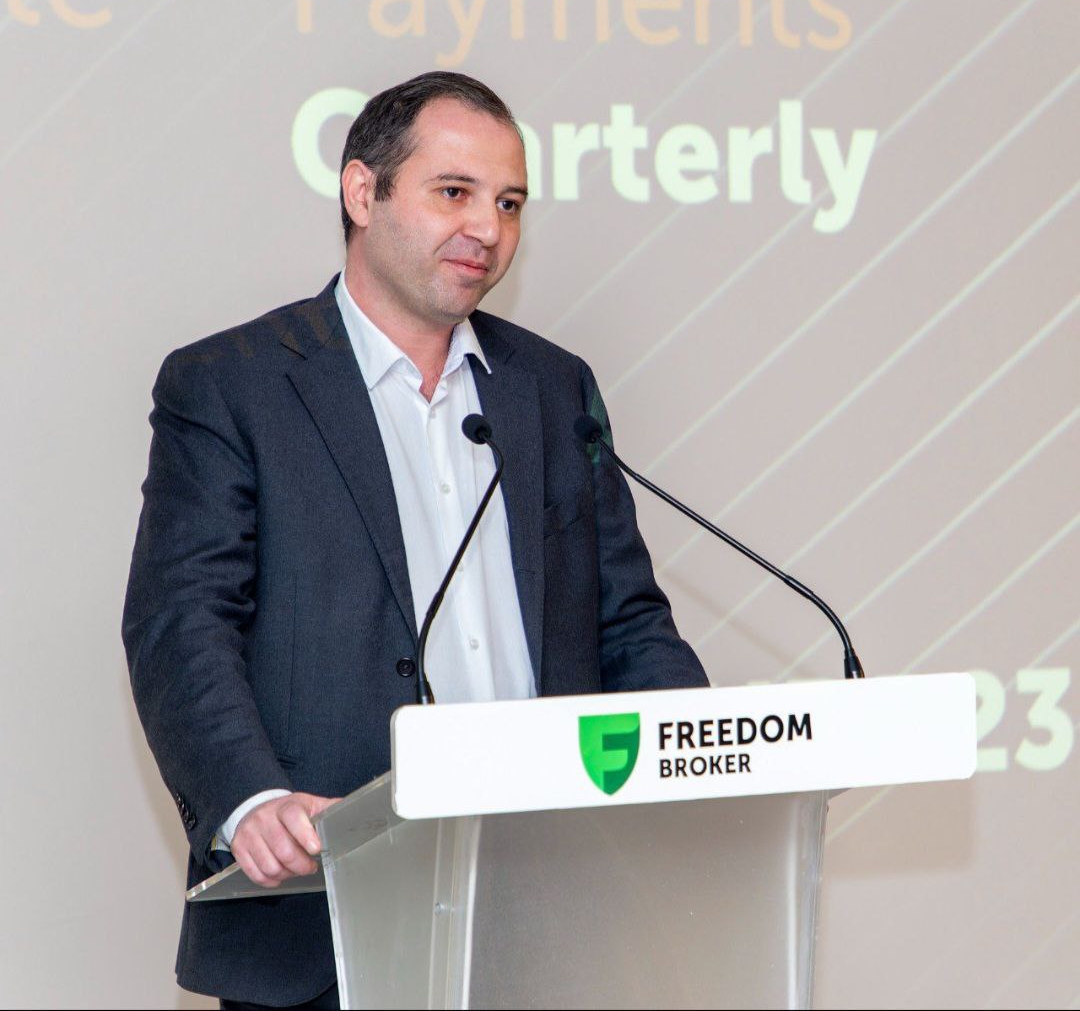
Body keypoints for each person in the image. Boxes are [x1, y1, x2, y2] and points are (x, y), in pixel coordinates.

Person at [123, 71, 707, 1010]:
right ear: (363, 193)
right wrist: (250, 800)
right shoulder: (233, 384)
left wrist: (702, 759)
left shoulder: (552, 389)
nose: (488, 228)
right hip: (321, 917)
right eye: (454, 192)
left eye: (509, 203)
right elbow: (180, 621)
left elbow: (628, 622)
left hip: (544, 914)